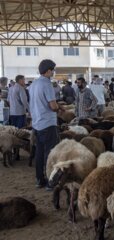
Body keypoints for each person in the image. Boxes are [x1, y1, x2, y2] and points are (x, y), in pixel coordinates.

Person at [29, 59, 64, 189]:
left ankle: (39, 180)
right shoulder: (47, 84)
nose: (54, 72)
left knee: (39, 153)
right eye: (53, 70)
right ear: (48, 70)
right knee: (50, 153)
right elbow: (52, 105)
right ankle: (50, 182)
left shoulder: (33, 85)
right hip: (48, 123)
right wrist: (59, 109)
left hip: (37, 123)